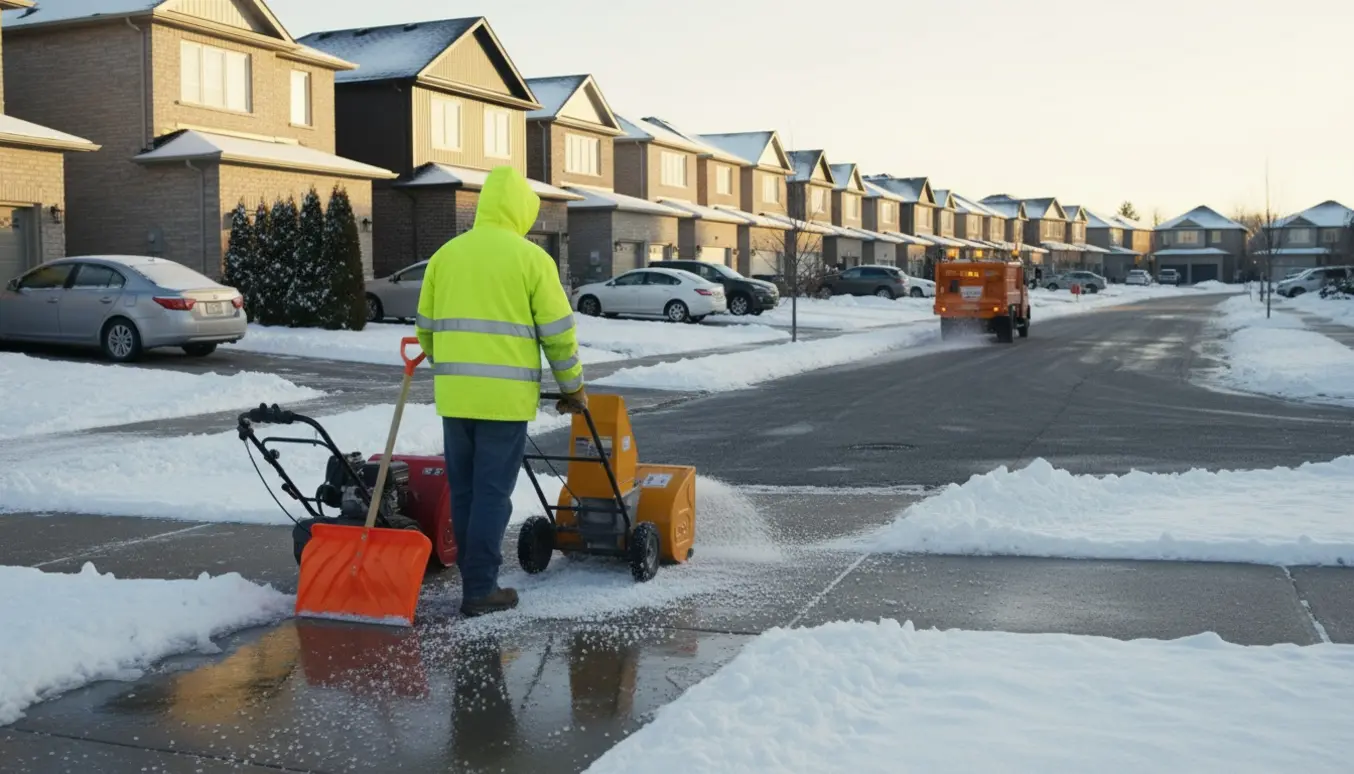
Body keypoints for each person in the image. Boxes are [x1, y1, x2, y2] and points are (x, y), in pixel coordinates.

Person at [415, 166, 586, 618]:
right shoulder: (531, 260)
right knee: (492, 493)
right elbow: (558, 335)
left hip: (455, 399)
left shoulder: (446, 256)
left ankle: (475, 580)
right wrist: (574, 388)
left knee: (466, 492)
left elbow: (426, 328)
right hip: (504, 403)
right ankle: (480, 589)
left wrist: (451, 371)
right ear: (521, 211)